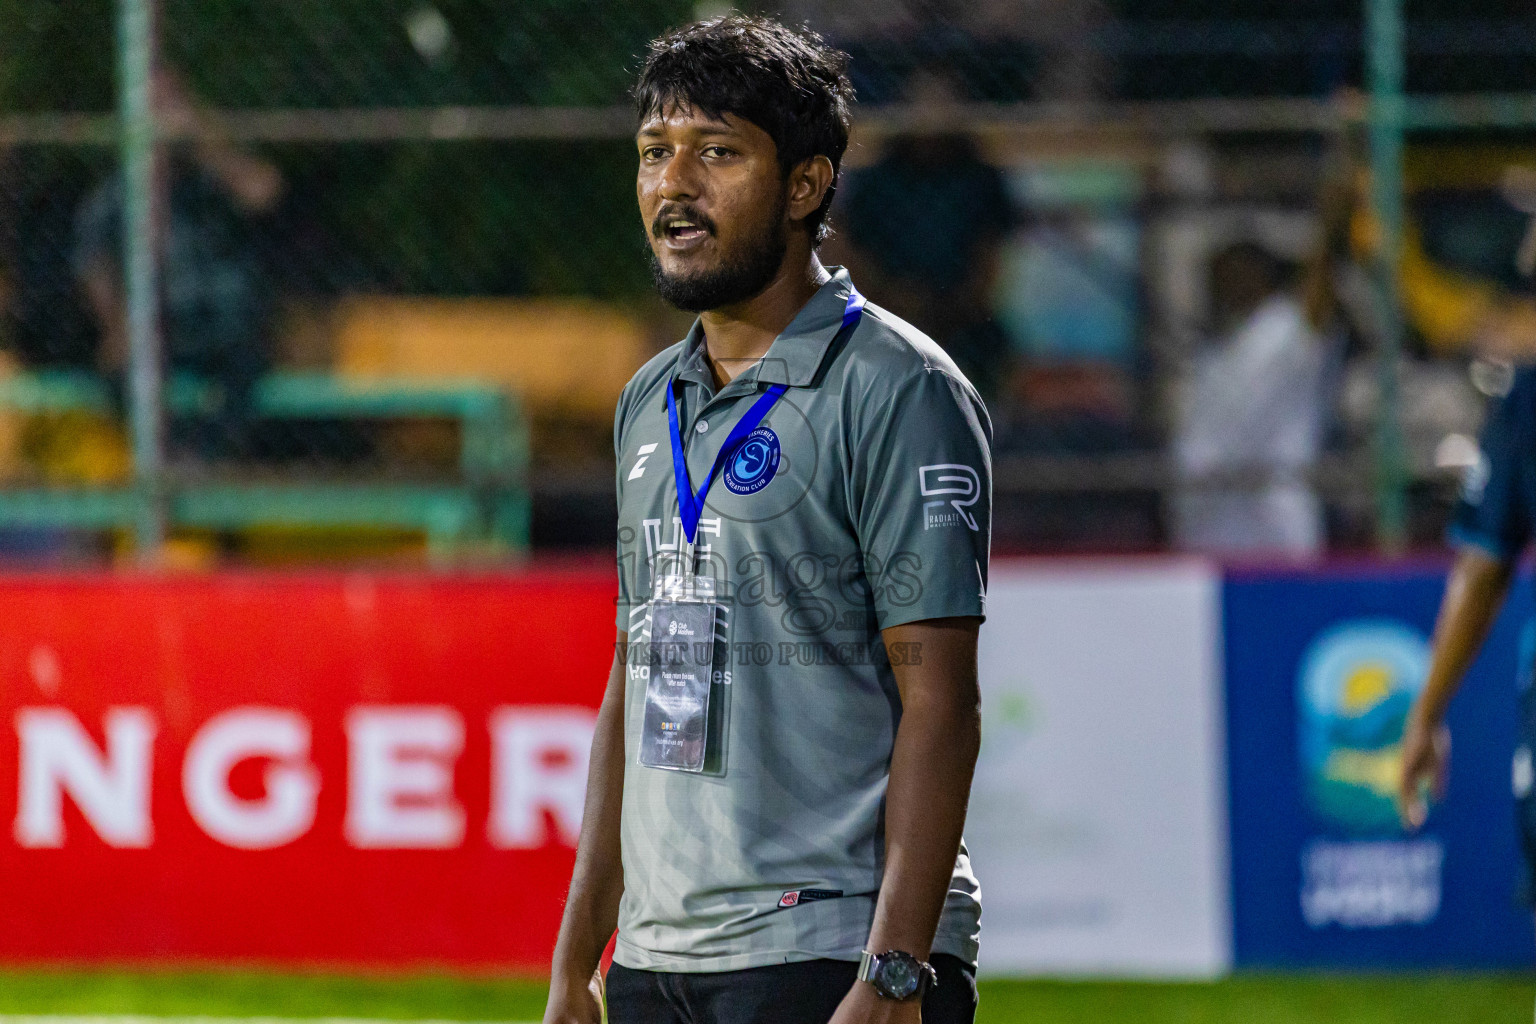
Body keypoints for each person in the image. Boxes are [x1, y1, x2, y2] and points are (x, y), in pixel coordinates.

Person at [543, 16, 991, 1024]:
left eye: (718, 151)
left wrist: (895, 969)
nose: (674, 184)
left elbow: (944, 702)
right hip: (660, 956)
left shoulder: (898, 386)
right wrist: (581, 955)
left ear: (803, 185)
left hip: (830, 944)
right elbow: (635, 675)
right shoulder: (646, 400)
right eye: (655, 152)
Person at [74, 66, 282, 460]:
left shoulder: (211, 177)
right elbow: (91, 259)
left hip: (224, 323)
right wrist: (117, 325)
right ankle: (167, 457)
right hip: (159, 324)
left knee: (246, 368)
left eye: (170, 104)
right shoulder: (119, 193)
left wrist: (202, 138)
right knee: (117, 374)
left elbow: (263, 191)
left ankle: (199, 459)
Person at [841, 67, 1016, 401]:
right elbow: (851, 250)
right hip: (886, 303)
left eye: (943, 100)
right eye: (922, 100)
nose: (932, 112)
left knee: (990, 345)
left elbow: (990, 257)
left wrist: (951, 307)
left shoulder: (980, 176)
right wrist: (888, 301)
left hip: (960, 309)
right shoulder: (879, 177)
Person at [1170, 241, 1340, 557]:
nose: (1217, 289)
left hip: (1268, 523)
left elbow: (1315, 311)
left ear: (1257, 276)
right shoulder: (1223, 342)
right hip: (1210, 519)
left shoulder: (1279, 328)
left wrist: (1331, 233)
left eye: (1228, 276)